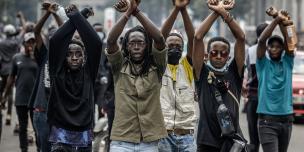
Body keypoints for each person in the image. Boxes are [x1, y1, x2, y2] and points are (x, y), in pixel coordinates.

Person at [106, 0, 167, 151]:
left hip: (150, 142)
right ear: (126, 46)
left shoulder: (157, 66)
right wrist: (128, 13)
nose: (136, 46)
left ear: (147, 45)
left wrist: (136, 12)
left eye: (140, 42)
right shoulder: (119, 66)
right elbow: (111, 41)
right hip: (121, 141)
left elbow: (159, 39)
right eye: (132, 43)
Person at [192, 0, 247, 151]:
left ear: (228, 57)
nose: (218, 56)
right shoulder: (201, 73)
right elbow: (197, 37)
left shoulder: (235, 72)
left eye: (223, 53)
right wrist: (216, 12)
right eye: (213, 53)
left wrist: (224, 12)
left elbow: (241, 38)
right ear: (207, 55)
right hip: (206, 142)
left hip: (231, 142)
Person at [47, 5, 102, 151]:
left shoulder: (89, 72)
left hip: (84, 135)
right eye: (69, 54)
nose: (74, 58)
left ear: (84, 57)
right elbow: (56, 41)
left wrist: (79, 16)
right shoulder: (57, 72)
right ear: (63, 58)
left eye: (78, 54)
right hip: (60, 135)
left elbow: (96, 43)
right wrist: (79, 16)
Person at [158, 0, 197, 151]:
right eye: (170, 46)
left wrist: (184, 10)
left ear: (183, 49)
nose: (174, 48)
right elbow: (160, 37)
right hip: (163, 136)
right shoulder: (158, 67)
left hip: (187, 136)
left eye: (178, 46)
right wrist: (176, 9)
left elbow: (193, 38)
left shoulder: (187, 66)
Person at [256, 10, 295, 152]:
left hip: (287, 120)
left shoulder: (288, 62)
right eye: (271, 46)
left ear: (282, 49)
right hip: (267, 122)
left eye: (278, 47)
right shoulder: (263, 64)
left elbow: (290, 42)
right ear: (268, 48)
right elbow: (261, 40)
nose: (274, 49)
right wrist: (276, 20)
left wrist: (283, 21)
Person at [27, 2, 63, 152]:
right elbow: (36, 32)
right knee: (44, 149)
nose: (54, 41)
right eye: (52, 38)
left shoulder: (66, 57)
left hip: (60, 114)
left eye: (58, 38)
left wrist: (55, 12)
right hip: (42, 112)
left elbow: (67, 30)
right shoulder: (43, 55)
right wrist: (48, 13)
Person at [1, 32, 38, 152]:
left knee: (37, 126)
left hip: (35, 99)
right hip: (21, 98)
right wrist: (5, 96)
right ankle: (24, 149)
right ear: (24, 43)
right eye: (28, 42)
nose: (31, 45)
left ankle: (40, 148)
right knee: (22, 127)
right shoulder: (17, 58)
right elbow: (11, 78)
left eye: (33, 42)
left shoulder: (38, 58)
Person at [245, 23, 268, 152]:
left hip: (253, 95)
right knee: (267, 134)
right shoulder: (273, 50)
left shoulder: (250, 50)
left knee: (253, 135)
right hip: (266, 97)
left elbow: (248, 70)